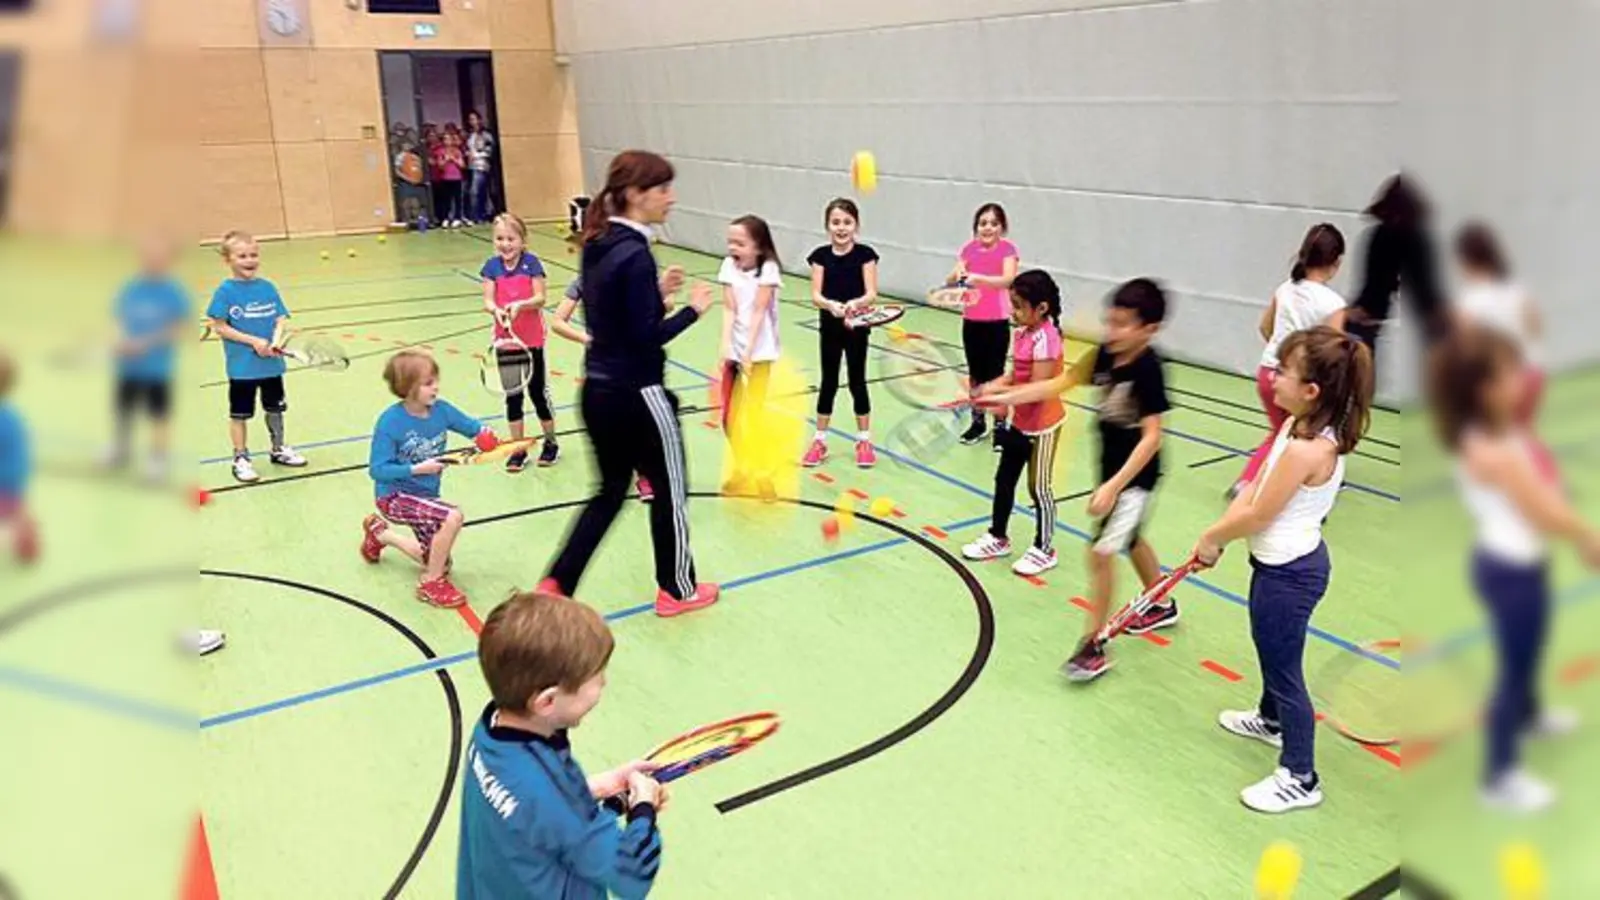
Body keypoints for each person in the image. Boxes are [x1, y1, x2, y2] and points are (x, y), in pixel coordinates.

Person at [1194, 326, 1375, 814]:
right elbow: (1254, 490)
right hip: (1277, 566)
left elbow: (1258, 515)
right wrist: (1222, 531)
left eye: (1284, 371)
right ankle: (1270, 721)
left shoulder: (1308, 449)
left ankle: (1301, 775)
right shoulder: (1295, 428)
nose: (1272, 377)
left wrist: (1215, 537)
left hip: (1290, 576)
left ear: (1311, 390)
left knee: (1284, 669)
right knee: (1271, 652)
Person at [538, 150, 720, 616]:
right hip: (639, 395)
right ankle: (678, 590)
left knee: (610, 491)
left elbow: (615, 321)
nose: (670, 198)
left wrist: (656, 295)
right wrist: (691, 311)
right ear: (636, 195)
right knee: (670, 490)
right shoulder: (635, 254)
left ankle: (557, 581)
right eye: (662, 189)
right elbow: (645, 340)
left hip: (596, 390)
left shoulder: (599, 242)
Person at [1427, 326, 1598, 813]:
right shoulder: (1494, 448)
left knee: (1529, 650)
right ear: (1484, 389)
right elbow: (1544, 510)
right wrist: (1588, 536)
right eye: (1510, 374)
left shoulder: (1495, 432)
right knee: (1514, 665)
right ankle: (1500, 776)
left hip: (1522, 563)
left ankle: (1529, 715)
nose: (1523, 380)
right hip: (1510, 570)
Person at [981, 279, 1175, 680]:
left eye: (1124, 324)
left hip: (1135, 475)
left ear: (1149, 329)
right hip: (1110, 467)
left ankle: (1093, 645)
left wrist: (1114, 486)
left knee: (1101, 553)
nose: (1113, 332)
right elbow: (1058, 384)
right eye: (1111, 322)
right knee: (1131, 537)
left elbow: (1153, 437)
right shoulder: (1104, 354)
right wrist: (1004, 396)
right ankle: (1161, 602)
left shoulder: (1149, 370)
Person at [457, 591, 665, 900]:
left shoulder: (490, 731)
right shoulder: (549, 794)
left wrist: (596, 788)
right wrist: (643, 810)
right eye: (595, 678)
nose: (603, 684)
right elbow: (631, 874)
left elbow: (531, 811)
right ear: (547, 701)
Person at [363, 350, 498, 609]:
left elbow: (471, 426)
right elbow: (377, 470)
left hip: (425, 497)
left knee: (437, 558)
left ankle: (380, 534)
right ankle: (430, 583)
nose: (436, 387)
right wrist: (416, 469)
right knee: (452, 516)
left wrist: (484, 435)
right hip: (393, 497)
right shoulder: (390, 422)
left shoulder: (441, 410)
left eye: (435, 380)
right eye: (428, 383)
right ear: (408, 388)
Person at [1231, 223, 1347, 498]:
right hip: (1301, 380)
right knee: (1298, 436)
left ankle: (1252, 482)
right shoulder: (1332, 303)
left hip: (1268, 372)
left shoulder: (1284, 289)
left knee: (1281, 432)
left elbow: (1264, 327)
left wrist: (1281, 356)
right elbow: (1334, 351)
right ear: (1337, 262)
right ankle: (1260, 485)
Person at [960, 270, 1064, 577]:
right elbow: (1015, 375)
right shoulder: (1023, 333)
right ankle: (998, 536)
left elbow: (1036, 388)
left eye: (1018, 306)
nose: (1012, 312)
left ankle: (1044, 549)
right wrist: (988, 388)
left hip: (1043, 425)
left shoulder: (1047, 338)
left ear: (1041, 308)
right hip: (1021, 422)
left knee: (1039, 488)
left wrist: (1000, 400)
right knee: (1004, 480)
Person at [205, 230, 308, 484]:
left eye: (253, 255)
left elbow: (280, 318)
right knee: (240, 414)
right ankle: (240, 457)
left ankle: (278, 449)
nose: (249, 260)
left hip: (271, 365)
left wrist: (274, 340)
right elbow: (219, 326)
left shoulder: (267, 287)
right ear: (227, 260)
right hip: (242, 368)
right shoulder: (225, 291)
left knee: (275, 409)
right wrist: (254, 342)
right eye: (242, 256)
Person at [107, 234, 192, 482]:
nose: (153, 260)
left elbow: (179, 328)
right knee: (123, 409)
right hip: (128, 367)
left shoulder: (174, 292)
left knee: (159, 415)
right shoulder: (131, 287)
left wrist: (146, 343)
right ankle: (120, 448)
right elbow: (119, 318)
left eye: (159, 256)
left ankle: (158, 458)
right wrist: (120, 339)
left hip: (157, 368)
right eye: (149, 255)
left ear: (169, 260)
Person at [802, 198, 879, 469]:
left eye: (847, 222)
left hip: (857, 327)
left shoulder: (865, 255)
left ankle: (864, 440)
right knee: (829, 382)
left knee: (858, 380)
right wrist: (830, 305)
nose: (841, 228)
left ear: (856, 225)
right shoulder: (820, 256)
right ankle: (820, 440)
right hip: (830, 327)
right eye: (836, 222)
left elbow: (871, 293)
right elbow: (815, 294)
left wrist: (856, 304)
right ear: (827, 225)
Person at [480, 213, 559, 470]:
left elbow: (540, 298)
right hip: (507, 342)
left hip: (532, 342)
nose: (505, 244)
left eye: (511, 238)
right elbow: (488, 301)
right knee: (513, 397)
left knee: (537, 394)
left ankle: (550, 443)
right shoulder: (491, 267)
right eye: (500, 238)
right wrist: (496, 310)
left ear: (523, 241)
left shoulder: (532, 264)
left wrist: (519, 306)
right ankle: (518, 448)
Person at [1346, 174, 1447, 364]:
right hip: (1369, 312)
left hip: (1367, 312)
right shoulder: (1408, 237)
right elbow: (1421, 288)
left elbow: (1379, 285)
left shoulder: (1385, 235)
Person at [1452, 222, 1544, 427]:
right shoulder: (1516, 289)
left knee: (1501, 439)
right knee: (1521, 434)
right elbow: (1536, 327)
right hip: (1532, 371)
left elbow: (1465, 347)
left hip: (1499, 381)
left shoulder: (1470, 300)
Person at [717, 214, 783, 497]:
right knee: (729, 417)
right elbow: (730, 309)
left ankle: (763, 474)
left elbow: (758, 311)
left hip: (760, 351)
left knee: (755, 415)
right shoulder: (728, 267)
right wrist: (726, 347)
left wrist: (748, 352)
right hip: (736, 350)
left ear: (758, 246)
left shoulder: (768, 270)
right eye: (730, 241)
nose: (733, 248)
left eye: (740, 243)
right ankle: (743, 468)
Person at [950, 203, 1019, 449]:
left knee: (996, 374)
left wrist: (980, 279)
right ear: (976, 227)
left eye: (993, 223)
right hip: (971, 322)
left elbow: (1008, 279)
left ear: (1002, 228)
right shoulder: (968, 250)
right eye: (982, 223)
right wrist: (957, 272)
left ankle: (1001, 426)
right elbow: (952, 279)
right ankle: (978, 422)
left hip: (997, 323)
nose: (987, 227)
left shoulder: (1007, 250)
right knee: (976, 376)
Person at [0, 349, 37, 564]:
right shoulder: (12, 417)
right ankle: (20, 526)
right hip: (13, 490)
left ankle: (16, 534)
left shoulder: (6, 421)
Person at [464, 110, 496, 225]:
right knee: (473, 191)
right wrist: (468, 154)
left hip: (481, 165)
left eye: (474, 119)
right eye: (470, 120)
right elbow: (468, 148)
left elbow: (489, 151)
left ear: (479, 120)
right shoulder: (470, 135)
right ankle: (477, 214)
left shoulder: (486, 135)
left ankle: (479, 215)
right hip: (471, 166)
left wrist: (476, 155)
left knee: (476, 191)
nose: (472, 122)